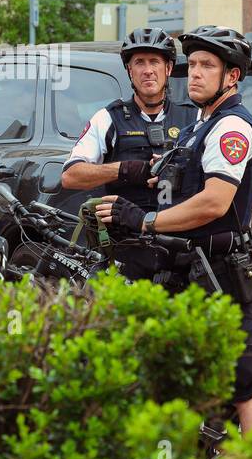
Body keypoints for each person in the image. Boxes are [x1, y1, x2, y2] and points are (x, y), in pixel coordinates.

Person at [95, 25, 252, 436]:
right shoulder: (203, 125)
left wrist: (145, 221)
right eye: (192, 64)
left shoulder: (231, 127)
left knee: (245, 384)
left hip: (223, 274)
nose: (194, 72)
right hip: (194, 271)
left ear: (231, 76)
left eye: (207, 65)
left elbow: (215, 201)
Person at [61, 27, 196, 281]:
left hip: (181, 243)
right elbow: (70, 176)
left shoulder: (194, 117)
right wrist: (125, 169)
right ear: (129, 71)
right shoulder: (108, 118)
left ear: (168, 69)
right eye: (139, 62)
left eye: (155, 61)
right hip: (125, 246)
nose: (148, 70)